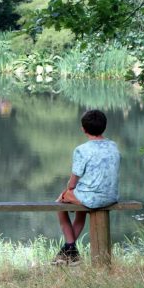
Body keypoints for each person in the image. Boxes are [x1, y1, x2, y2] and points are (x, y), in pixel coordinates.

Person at [53, 109, 120, 265]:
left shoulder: (82, 150)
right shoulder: (113, 145)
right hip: (111, 196)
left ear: (83, 129)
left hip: (92, 198)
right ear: (104, 126)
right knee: (79, 211)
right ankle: (69, 252)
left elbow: (73, 181)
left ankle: (70, 248)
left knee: (59, 203)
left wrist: (68, 190)